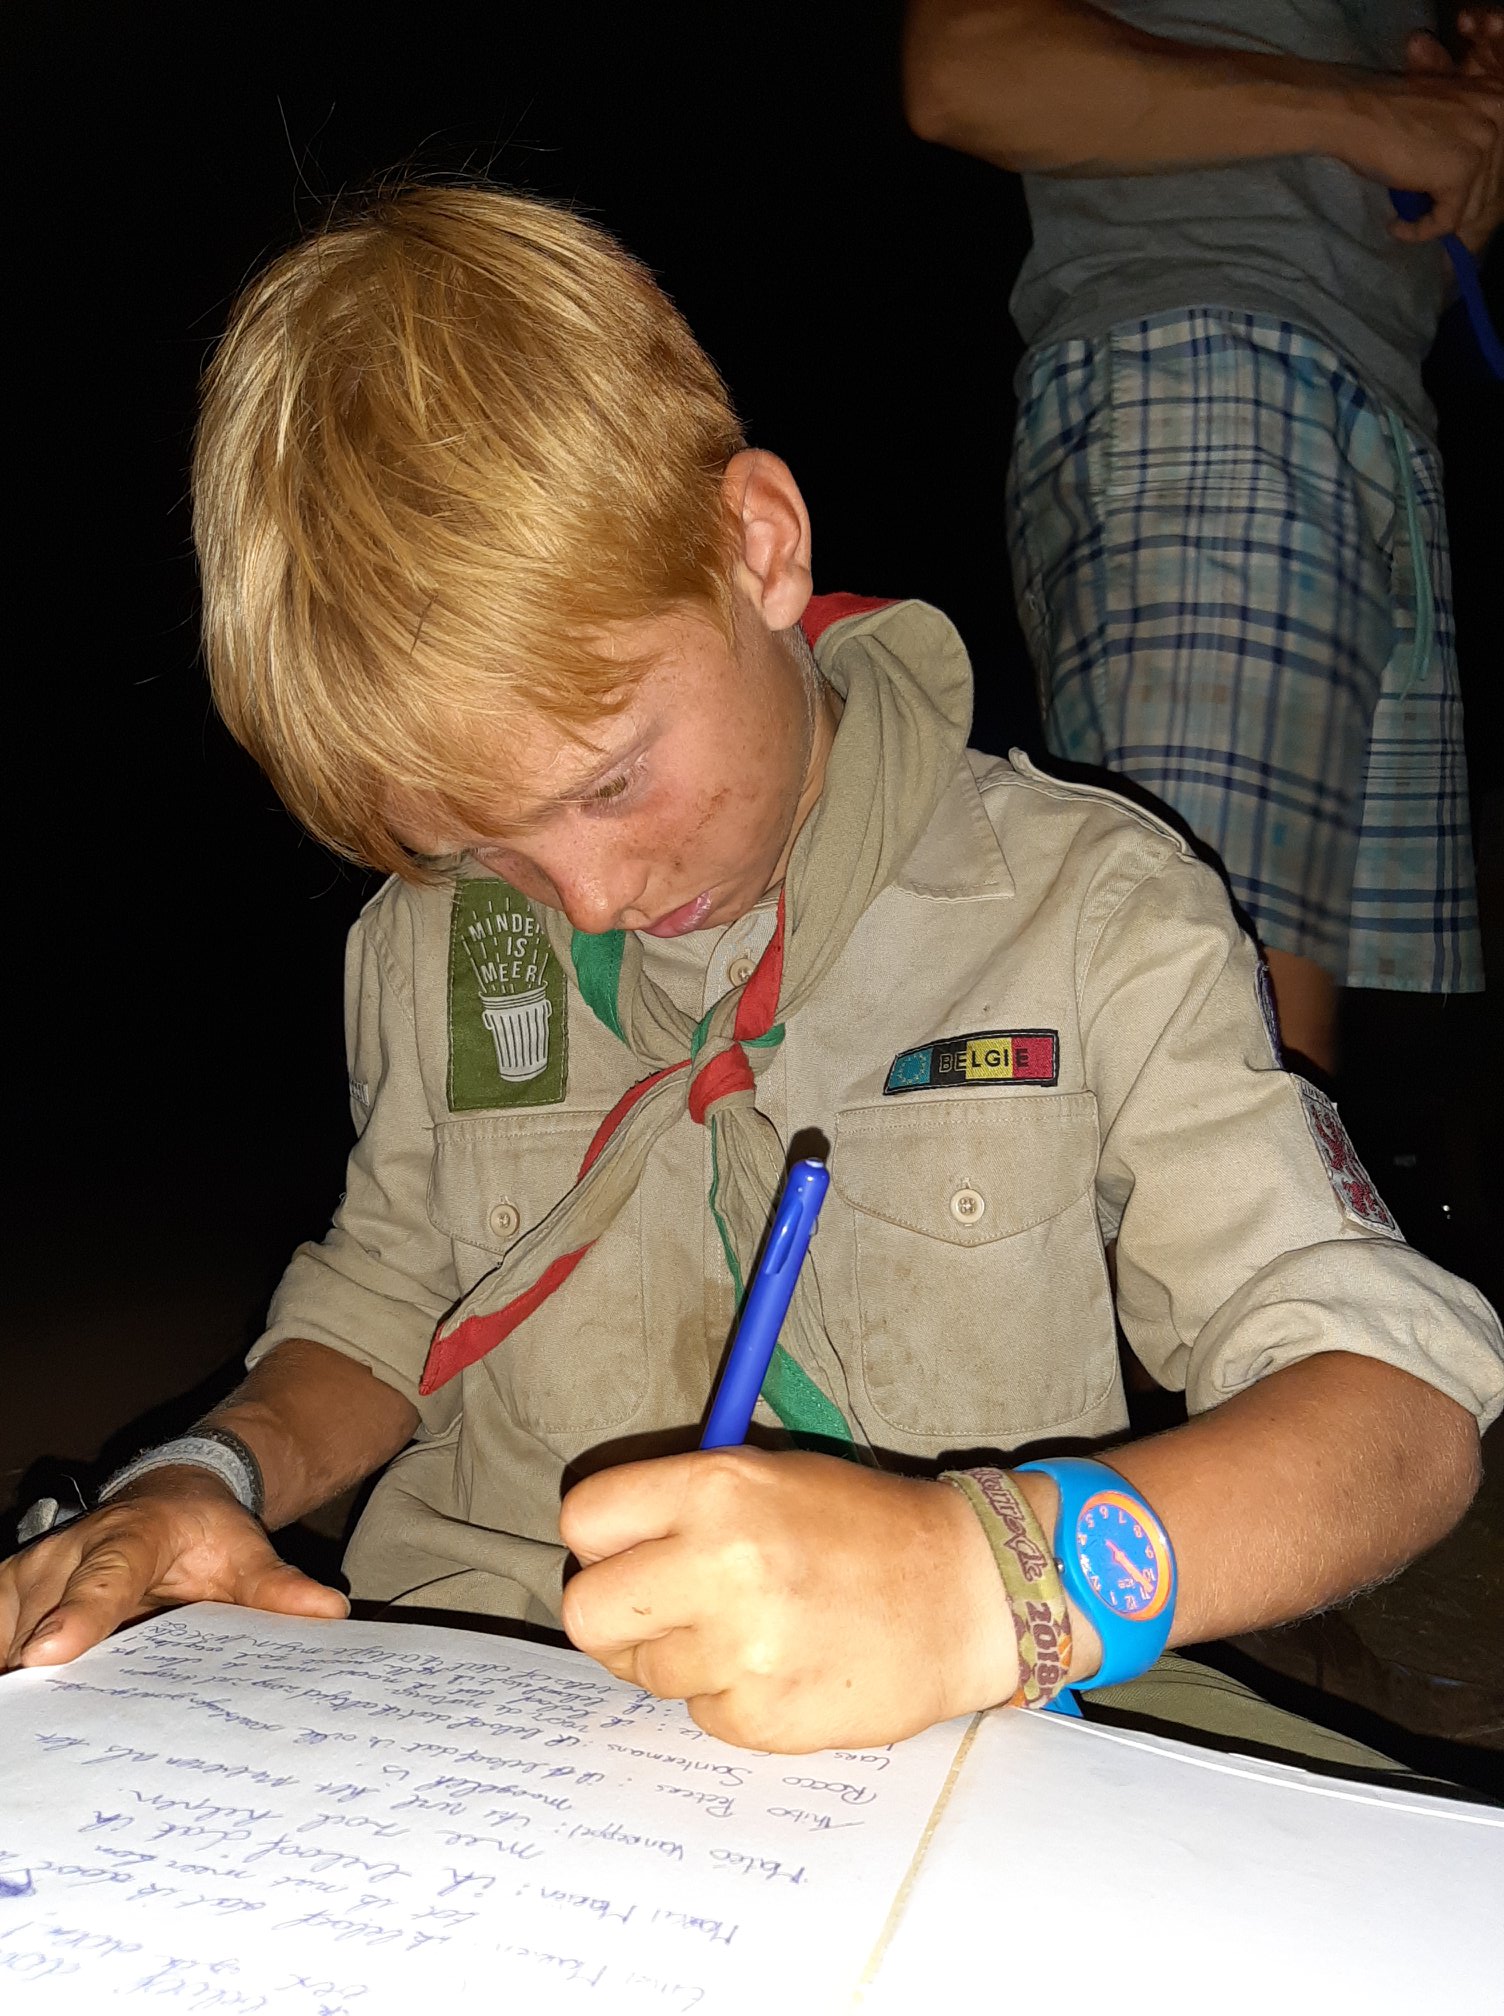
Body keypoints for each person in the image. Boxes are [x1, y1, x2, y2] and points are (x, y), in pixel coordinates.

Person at [3, 187, 1500, 1769]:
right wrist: (202, 1479)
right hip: (481, 1700)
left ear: (757, 545)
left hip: (969, 1711)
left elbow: (1394, 1408)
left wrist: (978, 1579)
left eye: (607, 782)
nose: (582, 892)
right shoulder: (432, 946)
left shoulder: (1086, 907)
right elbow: (383, 1311)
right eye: (474, 843)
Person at [903, 0, 1504, 1078]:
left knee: (1276, 1074)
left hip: (1377, 413)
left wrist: (1466, 139)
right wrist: (1371, 109)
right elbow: (964, 65)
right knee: (1203, 1054)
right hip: (1210, 371)